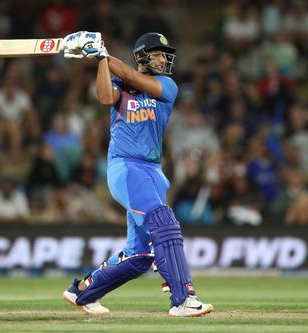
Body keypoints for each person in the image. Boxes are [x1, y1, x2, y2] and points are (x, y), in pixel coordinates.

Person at [60, 31, 213, 317]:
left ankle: (82, 292)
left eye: (165, 55)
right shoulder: (119, 83)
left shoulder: (167, 85)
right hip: (126, 167)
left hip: (153, 171)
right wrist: (101, 61)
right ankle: (182, 300)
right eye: (156, 53)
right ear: (142, 55)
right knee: (162, 220)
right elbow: (106, 97)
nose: (162, 58)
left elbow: (130, 73)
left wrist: (102, 52)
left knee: (140, 256)